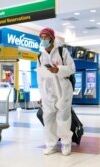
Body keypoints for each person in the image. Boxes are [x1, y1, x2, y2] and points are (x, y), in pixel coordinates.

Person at [37, 27, 75, 155]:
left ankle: (65, 144)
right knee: (48, 119)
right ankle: (51, 144)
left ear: (52, 38)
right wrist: (41, 94)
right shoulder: (40, 56)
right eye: (41, 38)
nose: (43, 40)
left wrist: (58, 70)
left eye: (46, 37)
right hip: (48, 93)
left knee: (63, 119)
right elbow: (40, 78)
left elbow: (71, 68)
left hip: (63, 91)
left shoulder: (62, 51)